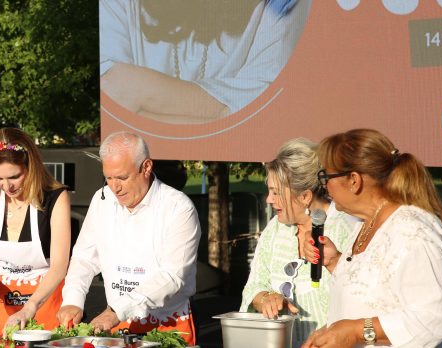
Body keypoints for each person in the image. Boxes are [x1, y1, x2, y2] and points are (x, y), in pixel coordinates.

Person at [301, 129, 442, 348]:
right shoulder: (368, 224)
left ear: (354, 180)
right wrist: (335, 261)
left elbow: (434, 318)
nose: (324, 186)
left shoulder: (413, 231)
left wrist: (354, 332)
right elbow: (378, 291)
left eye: (326, 177)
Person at [56, 131, 200, 345]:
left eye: (123, 177)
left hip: (167, 324)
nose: (115, 187)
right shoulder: (101, 200)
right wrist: (73, 300)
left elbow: (172, 276)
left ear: (147, 167)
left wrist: (117, 310)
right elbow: (84, 257)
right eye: (109, 177)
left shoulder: (178, 207)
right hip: (116, 324)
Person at [100, 0, 310, 124]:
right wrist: (222, 109)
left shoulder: (280, 4)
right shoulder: (118, 4)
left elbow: (264, 108)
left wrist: (143, 95)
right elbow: (113, 87)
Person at [240, 138, 355, 347]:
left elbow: (363, 299)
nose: (268, 199)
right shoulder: (276, 228)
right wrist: (266, 298)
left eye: (276, 192)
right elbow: (253, 287)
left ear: (304, 196)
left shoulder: (345, 229)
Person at [0, 128, 71, 335]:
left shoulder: (55, 197)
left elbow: (60, 266)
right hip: (0, 311)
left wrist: (30, 307)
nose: (7, 186)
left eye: (15, 177)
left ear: (30, 166)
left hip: (45, 307)